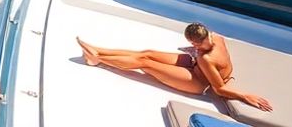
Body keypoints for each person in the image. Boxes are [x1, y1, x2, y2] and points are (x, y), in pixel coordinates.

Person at [76, 23, 272, 112]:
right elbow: (208, 55)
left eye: (194, 45)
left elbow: (219, 88)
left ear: (197, 42)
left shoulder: (206, 58)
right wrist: (195, 53)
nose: (193, 47)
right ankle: (98, 49)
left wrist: (246, 96)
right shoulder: (216, 37)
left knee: (146, 63)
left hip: (197, 82)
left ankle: (98, 59)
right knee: (148, 52)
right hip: (195, 66)